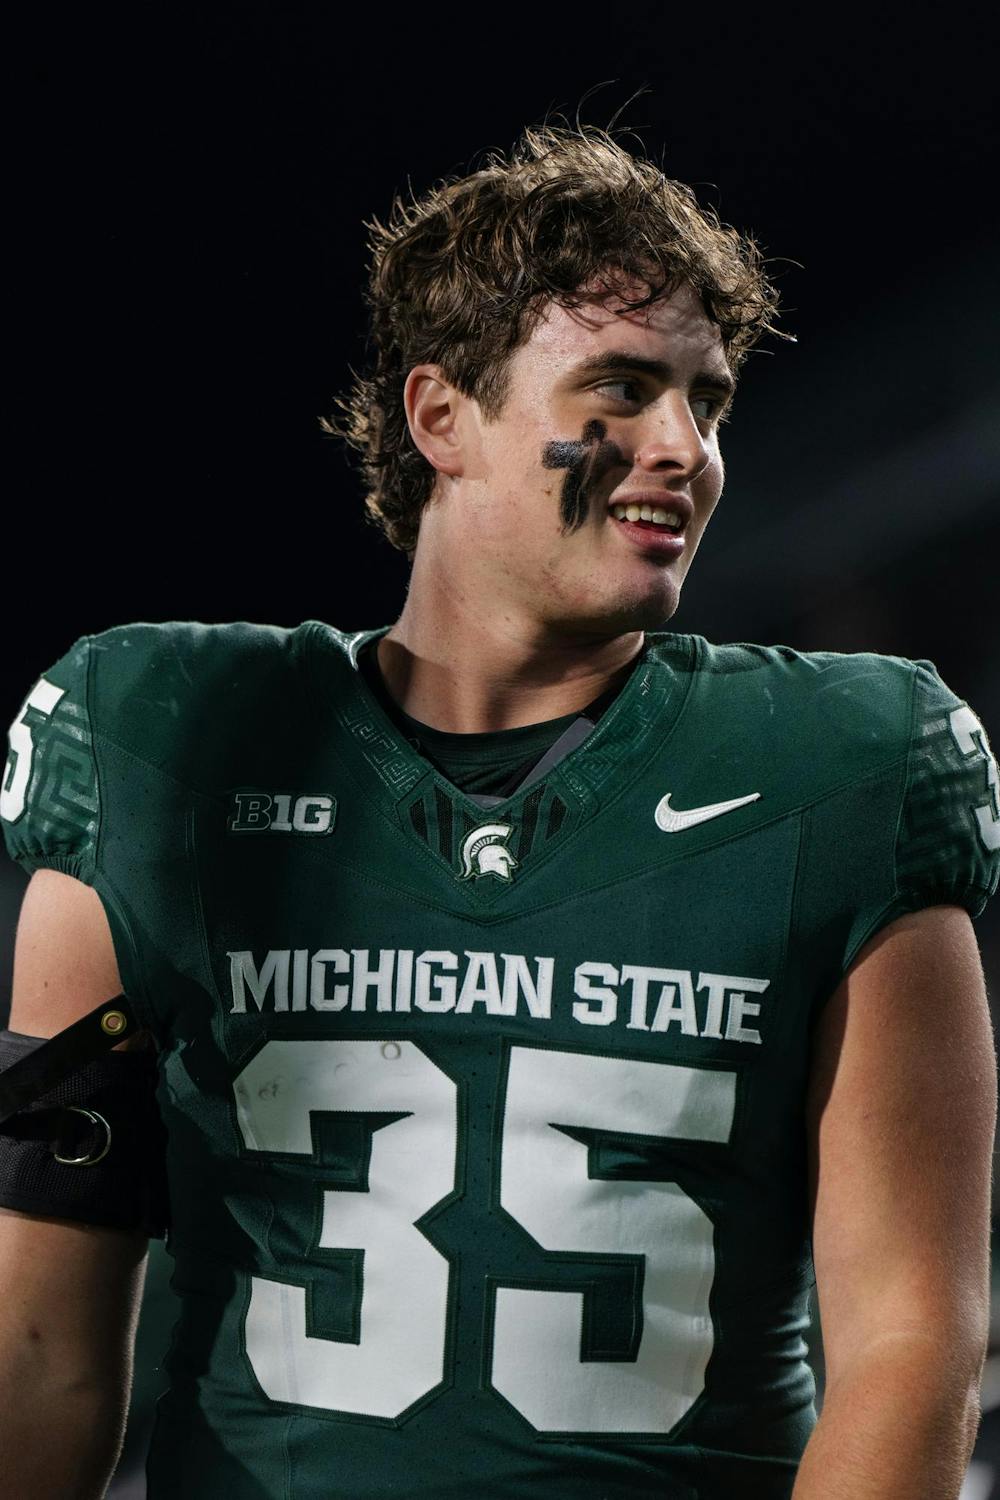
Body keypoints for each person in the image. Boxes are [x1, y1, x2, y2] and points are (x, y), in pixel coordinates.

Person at [1, 125, 997, 1500]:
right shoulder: (159, 749)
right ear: (440, 416)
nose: (685, 450)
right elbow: (38, 1345)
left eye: (708, 401)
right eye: (623, 387)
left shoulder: (844, 768)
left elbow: (908, 1342)